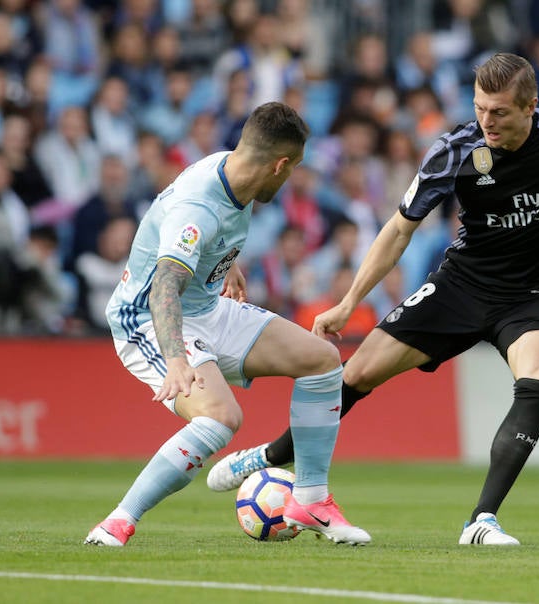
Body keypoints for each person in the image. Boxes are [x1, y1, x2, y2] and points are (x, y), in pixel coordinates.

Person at [208, 53, 539, 545]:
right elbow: (399, 229)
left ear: (531, 107)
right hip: (460, 285)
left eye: (499, 112)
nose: (487, 121)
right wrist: (348, 302)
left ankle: (482, 520)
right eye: (480, 108)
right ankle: (271, 454)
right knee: (357, 373)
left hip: (531, 295)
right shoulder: (456, 150)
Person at [84, 102, 370, 547]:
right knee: (221, 418)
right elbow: (164, 286)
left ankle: (311, 499)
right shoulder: (197, 205)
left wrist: (225, 263)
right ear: (280, 165)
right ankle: (116, 522)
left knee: (322, 360)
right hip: (151, 318)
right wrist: (176, 361)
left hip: (206, 306)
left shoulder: (234, 171)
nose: (291, 177)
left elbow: (205, 235)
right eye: (293, 168)